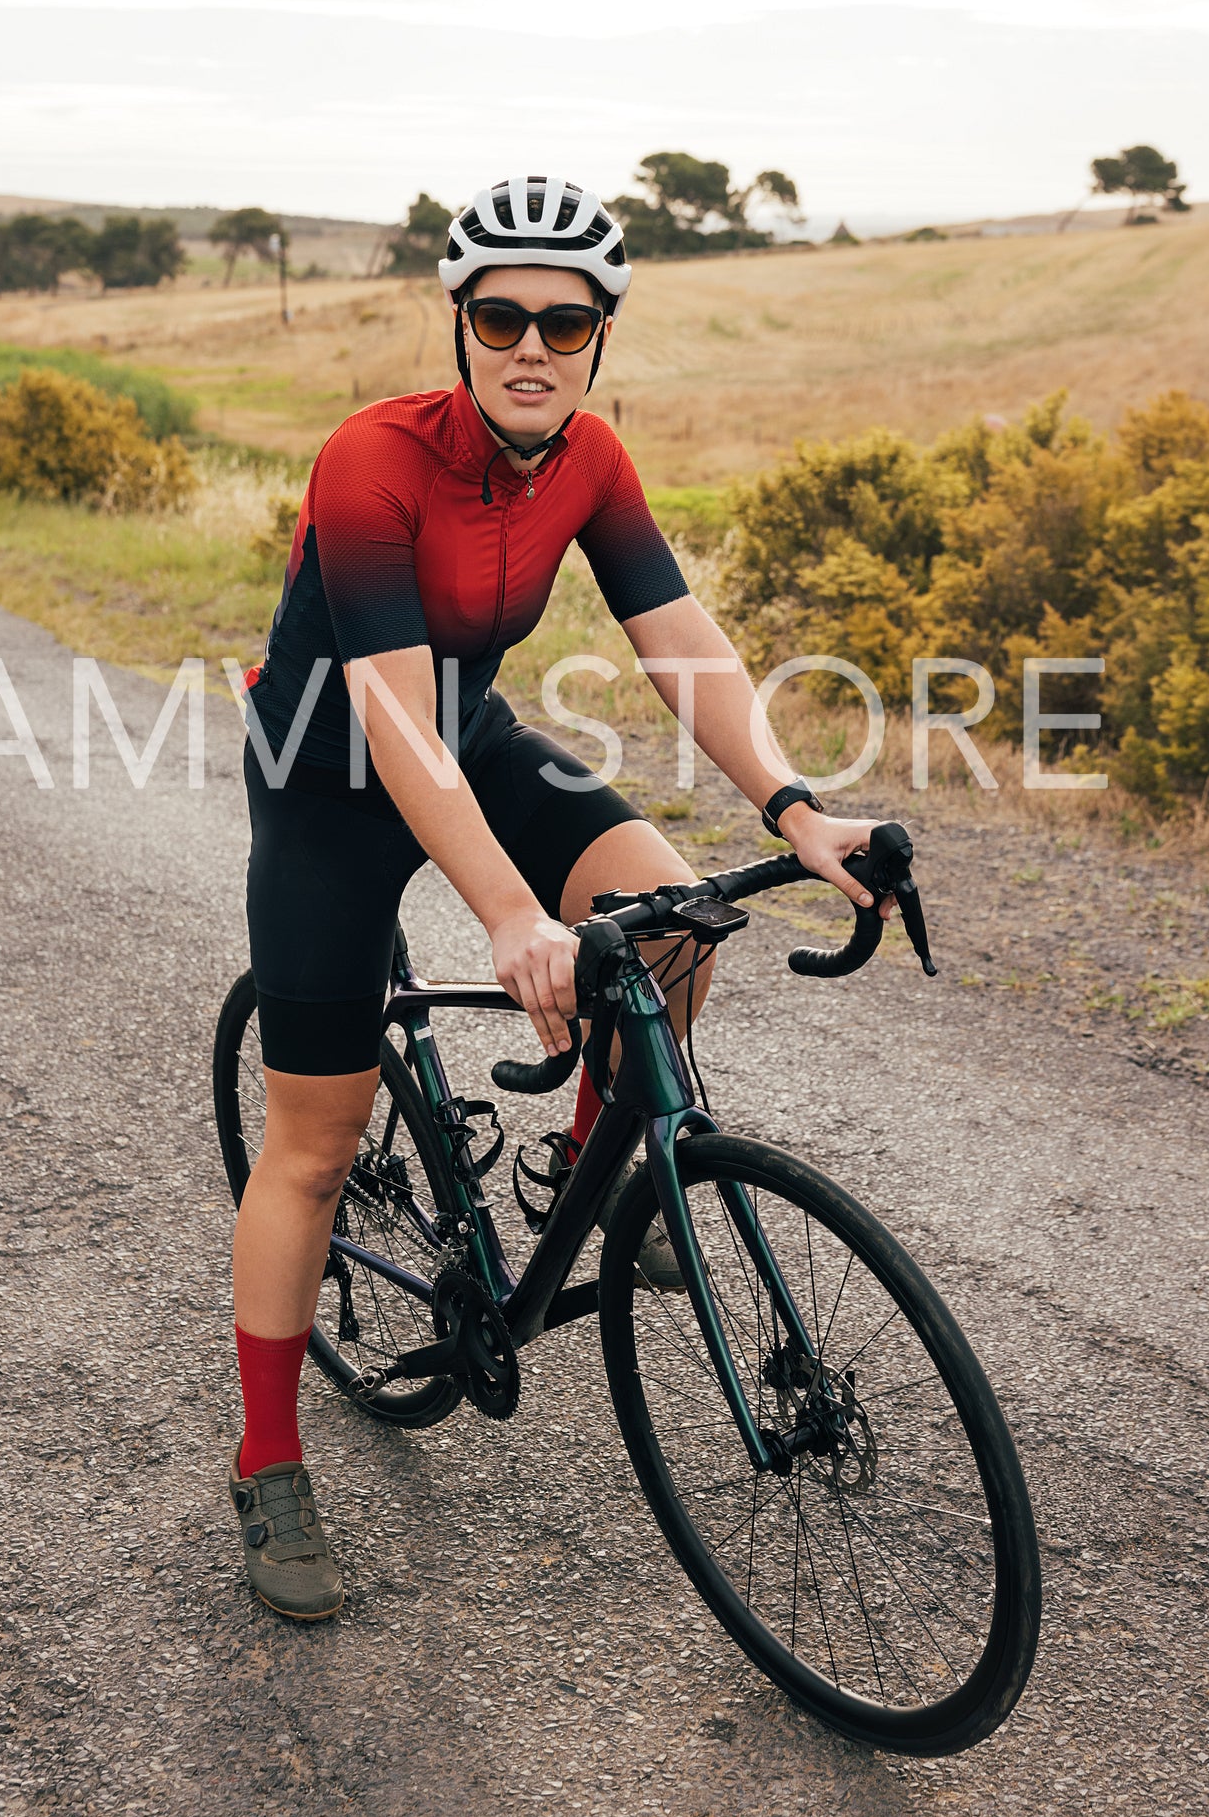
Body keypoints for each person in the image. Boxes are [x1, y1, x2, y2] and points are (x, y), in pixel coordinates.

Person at [229, 175, 886, 1619]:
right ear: (459, 326)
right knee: (314, 1143)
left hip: (465, 737)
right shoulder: (372, 462)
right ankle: (268, 1460)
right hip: (328, 784)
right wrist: (508, 917)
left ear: (600, 336)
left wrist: (791, 804)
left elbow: (680, 642)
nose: (532, 345)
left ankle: (598, 1160)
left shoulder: (588, 458)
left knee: (669, 910)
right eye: (500, 317)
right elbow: (389, 728)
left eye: (564, 321)